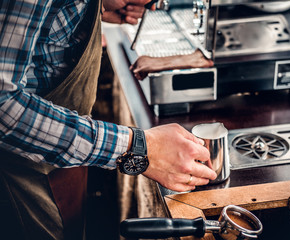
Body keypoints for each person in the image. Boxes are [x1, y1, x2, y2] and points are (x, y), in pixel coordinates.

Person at [0, 0, 217, 239]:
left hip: (62, 164)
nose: (154, 5)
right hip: (19, 175)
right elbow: (3, 106)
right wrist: (139, 149)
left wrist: (94, 10)